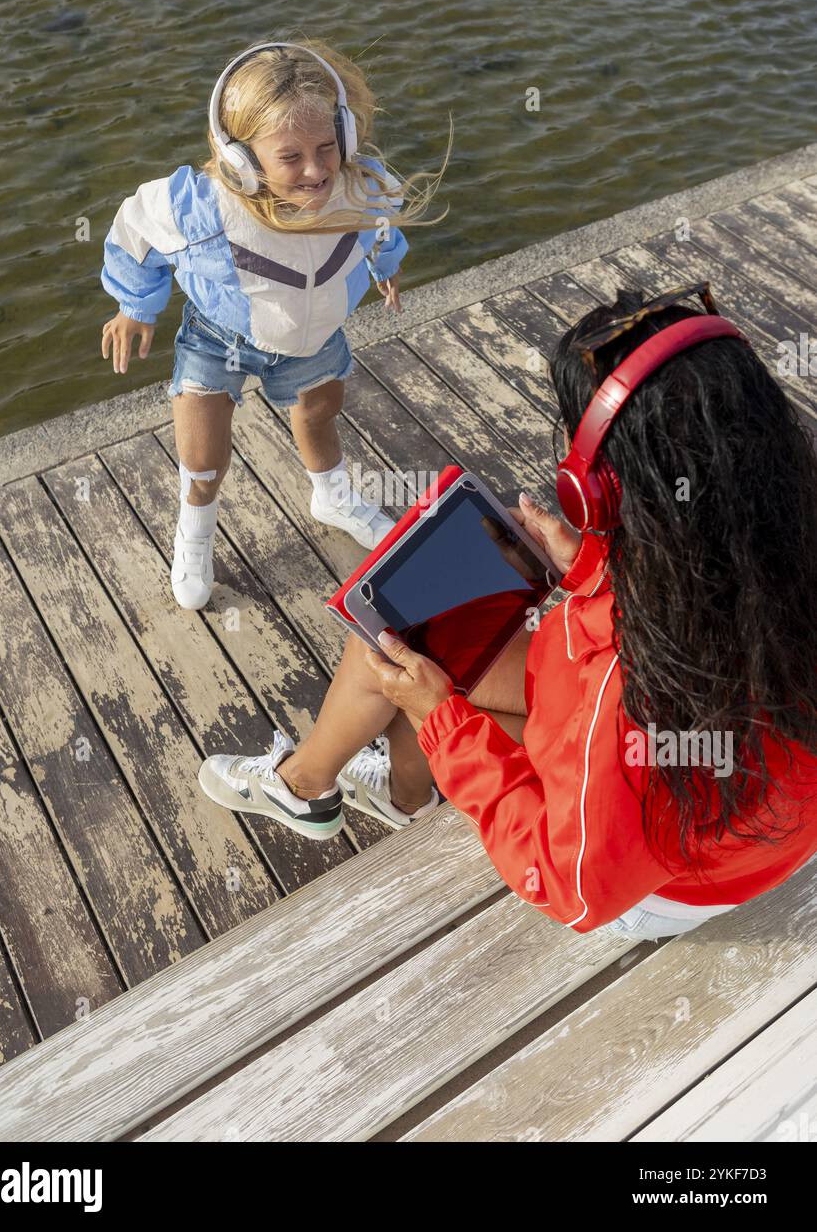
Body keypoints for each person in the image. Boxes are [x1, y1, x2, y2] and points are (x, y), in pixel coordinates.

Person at [197, 282, 817, 943]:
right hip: (755, 835)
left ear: (594, 489)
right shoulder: (783, 539)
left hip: (664, 890)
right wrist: (592, 570)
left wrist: (446, 724)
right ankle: (384, 792)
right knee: (413, 650)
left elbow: (571, 886)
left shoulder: (630, 687)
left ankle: (309, 787)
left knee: (394, 653)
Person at [99, 37, 450, 608]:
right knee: (204, 442)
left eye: (327, 146)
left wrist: (386, 265)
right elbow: (135, 231)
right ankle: (196, 526)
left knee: (318, 413)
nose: (315, 170)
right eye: (289, 157)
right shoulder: (203, 207)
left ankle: (331, 494)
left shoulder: (361, 187)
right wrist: (135, 305)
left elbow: (381, 226)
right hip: (221, 336)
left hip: (314, 337)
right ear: (241, 157)